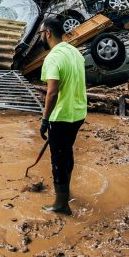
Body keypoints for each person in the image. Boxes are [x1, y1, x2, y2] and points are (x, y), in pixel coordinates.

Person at [39, 17, 87, 216]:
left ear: (48, 33)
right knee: (66, 152)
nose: (41, 36)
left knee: (57, 159)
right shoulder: (75, 52)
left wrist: (44, 119)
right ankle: (65, 193)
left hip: (61, 116)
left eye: (41, 33)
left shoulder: (52, 57)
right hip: (78, 113)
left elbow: (52, 92)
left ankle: (61, 204)